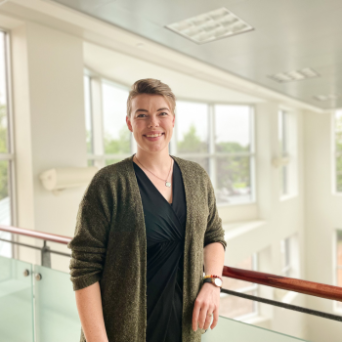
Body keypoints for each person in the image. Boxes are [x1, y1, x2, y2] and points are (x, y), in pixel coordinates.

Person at [67, 78, 227, 342]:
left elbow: (214, 237)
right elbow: (84, 268)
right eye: (142, 115)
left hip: (183, 332)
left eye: (161, 113)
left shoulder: (196, 176)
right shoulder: (109, 183)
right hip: (122, 334)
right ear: (130, 123)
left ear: (173, 119)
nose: (153, 123)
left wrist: (212, 282)